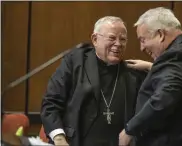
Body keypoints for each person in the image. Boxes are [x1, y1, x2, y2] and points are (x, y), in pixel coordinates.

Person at [119, 7, 182, 146]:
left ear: (160, 34)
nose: (142, 48)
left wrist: (130, 129)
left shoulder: (177, 55)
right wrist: (153, 67)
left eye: (143, 40)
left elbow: (164, 97)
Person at [40, 16, 146, 146]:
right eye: (112, 38)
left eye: (123, 39)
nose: (118, 44)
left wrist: (152, 67)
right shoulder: (75, 62)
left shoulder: (133, 72)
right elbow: (51, 103)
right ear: (95, 39)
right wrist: (59, 138)